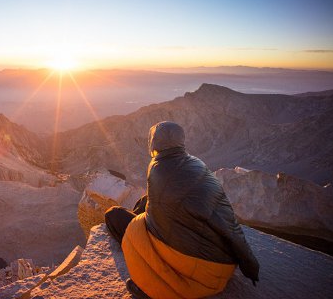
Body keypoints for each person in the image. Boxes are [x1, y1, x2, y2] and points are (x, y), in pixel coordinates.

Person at [105, 121, 259, 299]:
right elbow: (229, 224)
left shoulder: (156, 168)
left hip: (197, 273)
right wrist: (250, 265)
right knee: (146, 201)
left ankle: (149, 284)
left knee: (114, 215)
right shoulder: (198, 164)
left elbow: (156, 223)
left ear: (153, 142)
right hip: (223, 265)